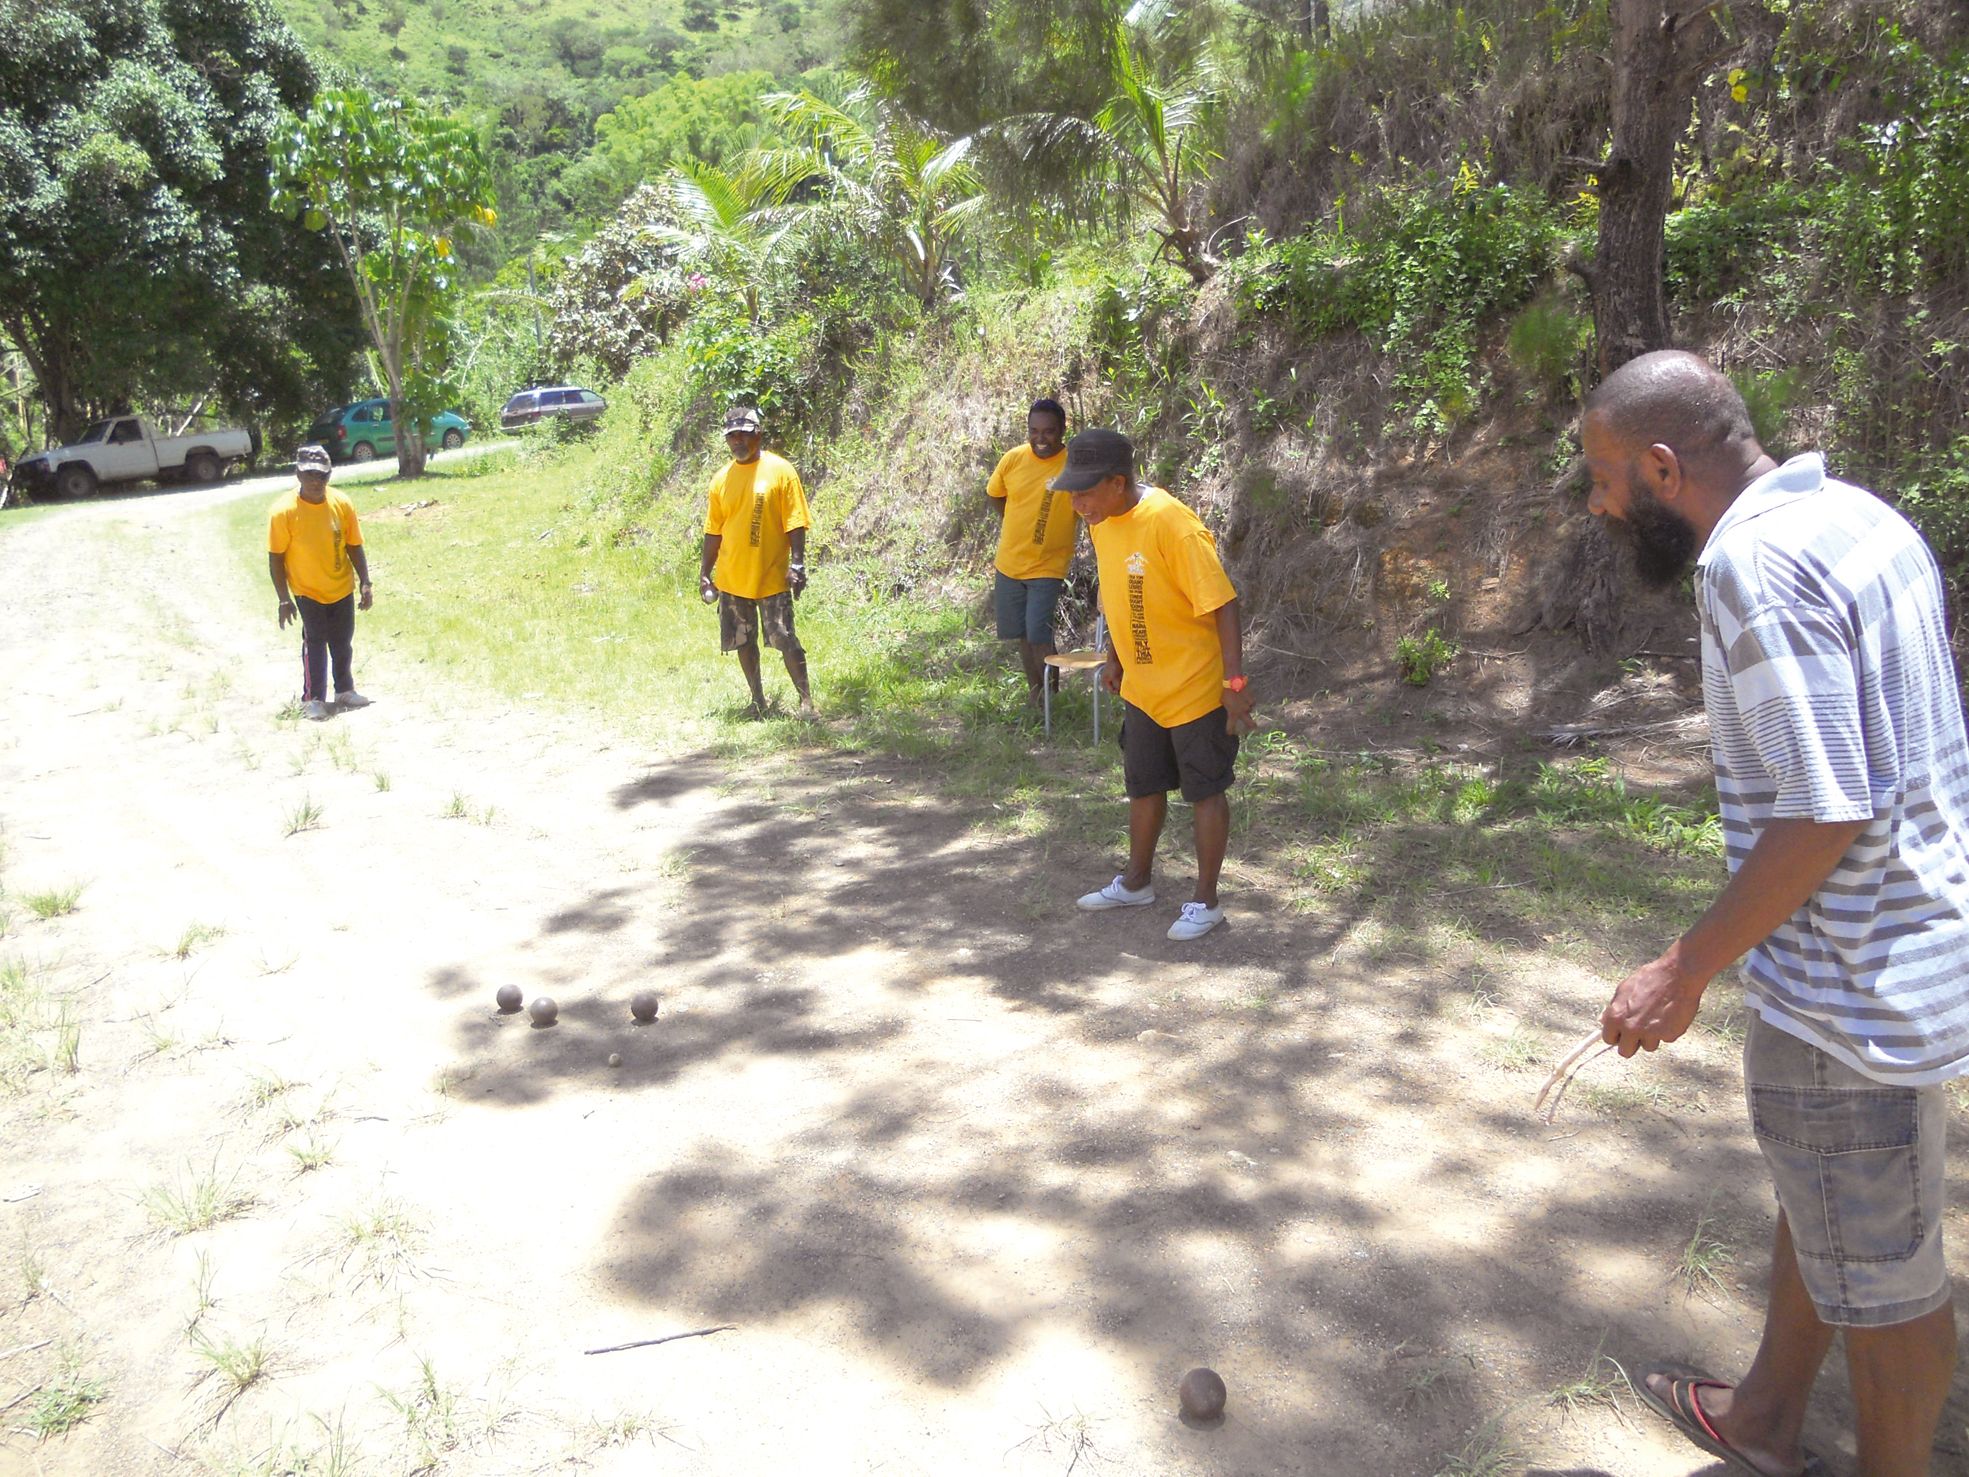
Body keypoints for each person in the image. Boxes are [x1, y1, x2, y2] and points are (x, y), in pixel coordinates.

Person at [1586, 350, 1965, 1477]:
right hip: (1914, 942)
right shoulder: (1858, 517)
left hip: (1853, 987)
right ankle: (1760, 1417)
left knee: (1890, 1280)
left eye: (1604, 477)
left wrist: (1682, 967)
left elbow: (1821, 807)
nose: (1597, 503)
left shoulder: (1751, 565)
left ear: (1661, 468)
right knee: (1835, 1197)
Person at [1054, 429, 1257, 941]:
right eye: (1072, 492)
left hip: (1193, 687)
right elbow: (1121, 593)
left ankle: (1205, 901)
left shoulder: (1171, 522)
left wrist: (1234, 682)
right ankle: (1137, 881)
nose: (1077, 503)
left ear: (1117, 482)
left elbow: (1223, 603)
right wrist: (1117, 659)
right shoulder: (1101, 521)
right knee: (1143, 786)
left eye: (1085, 491)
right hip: (1144, 688)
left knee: (1204, 791)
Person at [698, 406, 815, 718]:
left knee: (785, 638)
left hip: (772, 575)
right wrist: (705, 574)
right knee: (742, 641)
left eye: (744, 435)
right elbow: (713, 532)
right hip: (733, 579)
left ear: (758, 435)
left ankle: (806, 703)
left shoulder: (781, 471)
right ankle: (758, 701)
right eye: (732, 436)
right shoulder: (721, 480)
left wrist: (798, 564)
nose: (738, 441)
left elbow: (795, 522)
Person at [268, 444, 372, 721]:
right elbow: (276, 557)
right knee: (315, 640)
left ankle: (345, 691)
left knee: (342, 640)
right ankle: (313, 698)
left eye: (322, 476)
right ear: (298, 474)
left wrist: (365, 581)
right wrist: (283, 598)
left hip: (340, 586)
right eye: (310, 474)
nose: (317, 481)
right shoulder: (283, 512)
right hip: (307, 589)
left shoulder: (342, 503)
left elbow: (354, 545)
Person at [986, 397, 1075, 708]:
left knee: (1039, 632)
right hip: (1009, 563)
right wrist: (1014, 522)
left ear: (1063, 430)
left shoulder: (1073, 465)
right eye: (1034, 431)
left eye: (1049, 432)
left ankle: (1051, 696)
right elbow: (995, 495)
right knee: (1022, 634)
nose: (1040, 439)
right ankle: (1036, 693)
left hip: (1048, 566)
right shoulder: (1013, 459)